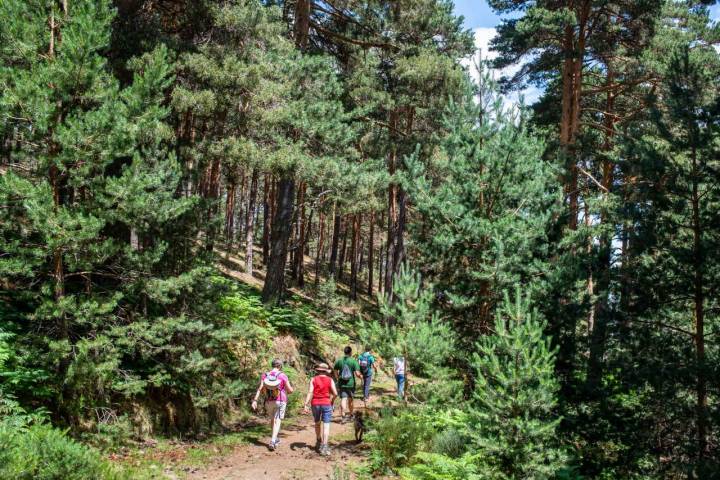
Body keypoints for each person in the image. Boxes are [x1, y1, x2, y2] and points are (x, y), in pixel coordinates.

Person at [251, 359, 294, 450]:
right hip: (280, 400)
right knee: (277, 419)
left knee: (272, 419)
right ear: (280, 366)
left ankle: (275, 438)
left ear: (272, 365)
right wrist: (288, 390)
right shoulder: (282, 375)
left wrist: (255, 400)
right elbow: (290, 390)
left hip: (268, 401)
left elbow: (260, 388)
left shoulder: (265, 375)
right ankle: (273, 441)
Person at [302, 363, 338, 456]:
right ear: (326, 371)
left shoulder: (313, 379)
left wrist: (306, 404)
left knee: (317, 422)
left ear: (318, 370)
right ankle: (325, 446)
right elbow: (335, 393)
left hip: (315, 404)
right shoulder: (330, 380)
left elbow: (310, 392)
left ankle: (318, 439)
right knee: (326, 425)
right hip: (326, 403)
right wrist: (332, 401)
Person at [333, 346, 362, 422]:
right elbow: (357, 373)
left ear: (344, 352)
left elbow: (335, 371)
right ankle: (351, 415)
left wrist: (337, 378)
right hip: (351, 384)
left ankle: (343, 416)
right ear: (350, 352)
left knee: (343, 399)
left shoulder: (339, 361)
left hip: (341, 383)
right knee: (350, 400)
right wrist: (361, 376)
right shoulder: (353, 361)